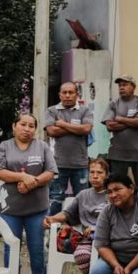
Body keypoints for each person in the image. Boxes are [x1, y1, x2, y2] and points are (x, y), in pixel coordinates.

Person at [0, 113, 58, 274]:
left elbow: (51, 171)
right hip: (10, 208)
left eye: (31, 126)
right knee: (10, 246)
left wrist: (32, 182)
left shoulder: (42, 147)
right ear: (14, 126)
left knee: (37, 247)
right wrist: (22, 177)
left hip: (37, 208)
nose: (27, 129)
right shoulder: (4, 147)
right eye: (23, 124)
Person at [43, 158, 110, 274]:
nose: (95, 176)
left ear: (107, 175)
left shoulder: (111, 195)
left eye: (99, 173)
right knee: (81, 254)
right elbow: (67, 214)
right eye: (92, 172)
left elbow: (116, 220)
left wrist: (96, 227)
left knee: (97, 259)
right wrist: (51, 219)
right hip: (87, 240)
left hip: (106, 238)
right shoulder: (83, 195)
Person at [45, 81, 94, 216]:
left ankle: (80, 230)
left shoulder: (85, 110)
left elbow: (86, 129)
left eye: (70, 92)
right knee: (55, 199)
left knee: (82, 200)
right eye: (64, 92)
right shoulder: (52, 110)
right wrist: (75, 128)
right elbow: (51, 131)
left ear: (77, 94)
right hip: (57, 164)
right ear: (59, 95)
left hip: (80, 164)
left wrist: (62, 124)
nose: (67, 95)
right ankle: (52, 230)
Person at [102, 75, 138, 195]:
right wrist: (132, 121)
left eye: (125, 85)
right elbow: (110, 126)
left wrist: (120, 119)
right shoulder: (113, 104)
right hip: (117, 154)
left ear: (133, 87)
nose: (121, 88)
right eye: (120, 86)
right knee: (117, 187)